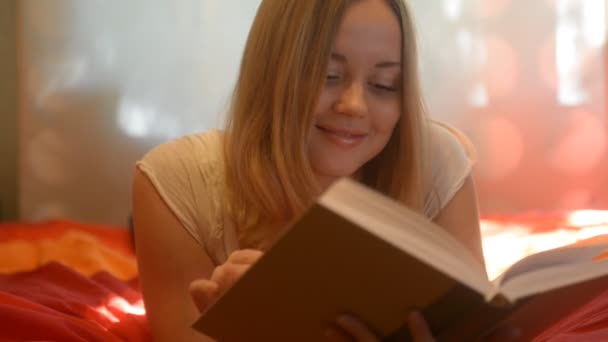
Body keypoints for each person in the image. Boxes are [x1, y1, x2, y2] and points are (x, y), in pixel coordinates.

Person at [132, 0, 485, 341]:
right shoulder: (176, 182)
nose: (354, 105)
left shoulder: (436, 162)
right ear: (270, 72)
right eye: (327, 76)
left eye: (383, 85)